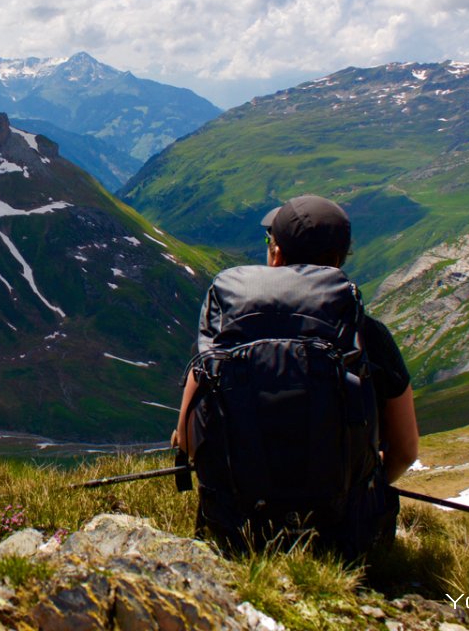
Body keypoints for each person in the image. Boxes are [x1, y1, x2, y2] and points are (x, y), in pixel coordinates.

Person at [172, 194, 419, 556]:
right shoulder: (367, 335)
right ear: (337, 261)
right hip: (343, 540)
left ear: (276, 255)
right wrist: (359, 475)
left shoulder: (226, 333)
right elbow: (404, 450)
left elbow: (189, 440)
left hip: (236, 533)